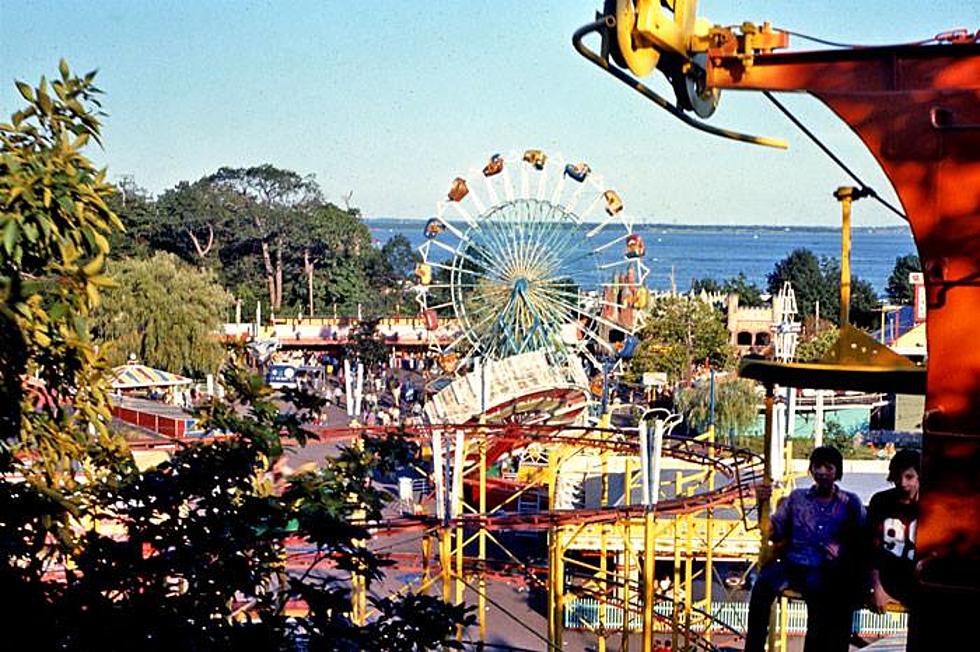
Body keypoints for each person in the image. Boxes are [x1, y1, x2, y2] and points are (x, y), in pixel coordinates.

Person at [744, 446, 865, 652]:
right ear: (811, 469)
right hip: (792, 562)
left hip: (824, 567)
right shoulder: (797, 498)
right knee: (761, 588)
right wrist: (762, 502)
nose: (822, 472)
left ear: (838, 471)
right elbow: (772, 530)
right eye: (818, 466)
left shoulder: (849, 502)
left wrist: (843, 550)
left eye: (828, 467)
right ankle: (753, 648)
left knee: (819, 605)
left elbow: (863, 535)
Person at [867, 448, 919, 614]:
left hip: (918, 583)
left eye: (909, 477)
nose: (903, 483)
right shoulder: (881, 502)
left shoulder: (932, 505)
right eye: (898, 476)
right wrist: (877, 587)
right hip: (887, 579)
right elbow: (870, 549)